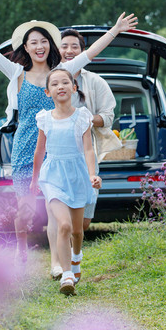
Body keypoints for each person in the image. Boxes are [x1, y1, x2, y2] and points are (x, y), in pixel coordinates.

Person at [0, 8, 138, 265]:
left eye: (44, 41)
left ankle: (59, 262)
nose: (40, 46)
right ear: (25, 47)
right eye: (34, 42)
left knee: (55, 208)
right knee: (24, 208)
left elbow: (90, 53)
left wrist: (114, 30)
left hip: (58, 148)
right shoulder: (16, 73)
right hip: (25, 147)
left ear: (50, 45)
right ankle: (21, 249)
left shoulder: (61, 72)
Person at [46, 28, 121, 280]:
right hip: (57, 160)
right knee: (59, 217)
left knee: (83, 224)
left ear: (82, 50)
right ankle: (61, 267)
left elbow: (109, 115)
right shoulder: (50, 79)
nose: (69, 51)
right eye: (64, 46)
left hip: (85, 160)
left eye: (74, 47)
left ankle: (72, 258)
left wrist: (87, 120)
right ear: (58, 49)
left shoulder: (96, 82)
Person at [30, 68, 102, 295]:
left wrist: (92, 174)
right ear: (48, 91)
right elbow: (39, 151)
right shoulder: (44, 119)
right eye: (54, 84)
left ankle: (77, 259)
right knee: (63, 225)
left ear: (74, 88)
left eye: (65, 83)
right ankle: (67, 275)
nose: (60, 87)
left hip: (77, 176)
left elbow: (89, 150)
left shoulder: (82, 117)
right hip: (52, 178)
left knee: (78, 231)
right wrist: (35, 180)